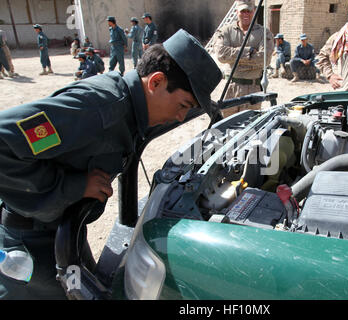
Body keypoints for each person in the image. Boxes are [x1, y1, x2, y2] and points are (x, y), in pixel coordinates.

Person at [0, 28, 222, 300]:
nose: (180, 117)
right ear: (156, 82)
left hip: (66, 232)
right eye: (183, 105)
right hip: (31, 247)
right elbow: (3, 144)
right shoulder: (96, 108)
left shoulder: (129, 109)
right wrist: (74, 186)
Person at [214, 0, 274, 118]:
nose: (246, 14)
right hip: (230, 87)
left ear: (254, 12)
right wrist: (249, 52)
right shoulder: (226, 31)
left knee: (249, 126)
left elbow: (265, 60)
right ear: (237, 12)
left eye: (249, 11)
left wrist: (234, 57)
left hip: (253, 88)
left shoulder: (263, 33)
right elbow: (221, 55)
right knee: (227, 125)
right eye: (242, 11)